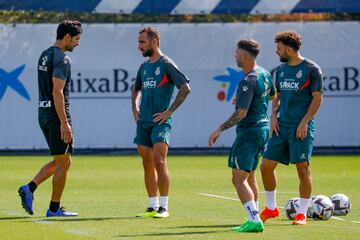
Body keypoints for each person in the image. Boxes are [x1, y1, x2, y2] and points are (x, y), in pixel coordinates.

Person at [208, 39, 275, 232]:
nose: (235, 56)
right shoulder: (264, 74)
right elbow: (272, 96)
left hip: (249, 133)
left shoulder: (249, 79)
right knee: (250, 176)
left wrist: (219, 129)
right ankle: (254, 216)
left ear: (244, 56)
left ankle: (254, 220)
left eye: (236, 53)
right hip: (262, 131)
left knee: (238, 179)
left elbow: (241, 113)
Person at [18, 20, 83, 217]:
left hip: (43, 113)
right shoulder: (62, 59)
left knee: (60, 160)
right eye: (77, 39)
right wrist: (64, 122)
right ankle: (54, 209)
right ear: (66, 37)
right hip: (56, 116)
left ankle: (30, 188)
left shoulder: (45, 54)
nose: (78, 43)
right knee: (64, 163)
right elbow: (57, 92)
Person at [259, 31, 323, 225]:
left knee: (303, 169)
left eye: (278, 48)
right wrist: (273, 117)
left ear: (288, 48)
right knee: (265, 166)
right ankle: (271, 209)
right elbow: (276, 95)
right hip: (281, 126)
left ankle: (302, 214)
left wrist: (304, 122)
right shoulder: (280, 70)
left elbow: (318, 98)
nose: (276, 51)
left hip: (300, 128)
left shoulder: (312, 69)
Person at [132, 27, 191, 218]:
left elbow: (185, 88)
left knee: (159, 161)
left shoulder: (166, 64)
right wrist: (135, 108)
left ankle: (164, 207)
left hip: (160, 122)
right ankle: (152, 206)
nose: (139, 46)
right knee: (147, 163)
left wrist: (169, 111)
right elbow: (136, 90)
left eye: (142, 42)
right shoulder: (144, 67)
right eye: (139, 42)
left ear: (154, 42)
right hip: (144, 123)